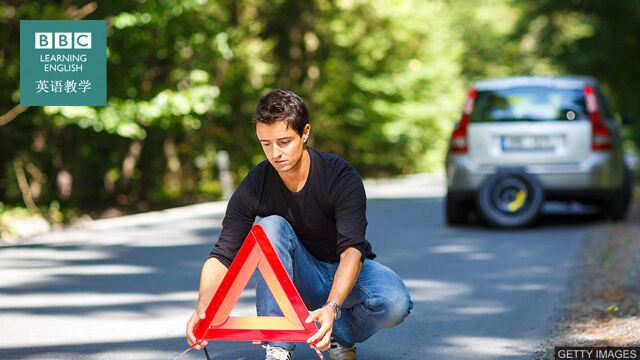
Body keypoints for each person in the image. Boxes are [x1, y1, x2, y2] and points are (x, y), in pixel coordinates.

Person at [186, 89, 413, 360]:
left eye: (284, 141)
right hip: (296, 278)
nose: (275, 153)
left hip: (343, 271)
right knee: (269, 227)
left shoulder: (340, 176)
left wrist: (332, 307)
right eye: (266, 143)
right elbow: (223, 254)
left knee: (396, 303)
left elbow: (352, 250)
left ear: (305, 133)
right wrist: (203, 307)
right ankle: (278, 345)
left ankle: (334, 334)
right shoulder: (257, 182)